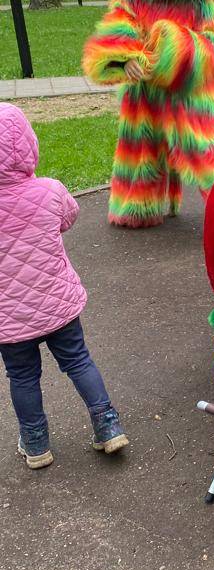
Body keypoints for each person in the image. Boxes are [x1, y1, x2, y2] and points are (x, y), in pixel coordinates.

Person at [0, 103, 128, 468]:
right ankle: (108, 425)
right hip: (57, 304)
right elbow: (68, 217)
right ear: (28, 144)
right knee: (78, 360)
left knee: (22, 376)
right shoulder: (49, 190)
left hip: (10, 317)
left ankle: (36, 444)